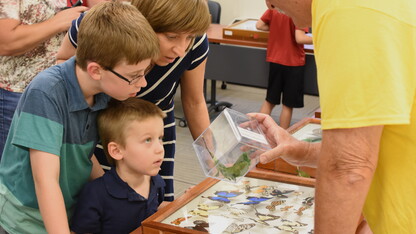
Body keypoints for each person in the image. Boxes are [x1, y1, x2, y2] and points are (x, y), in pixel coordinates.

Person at [250, 0, 416, 233]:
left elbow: (348, 168)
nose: (268, 2)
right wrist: (301, 151)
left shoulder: (346, 9)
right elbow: (377, 141)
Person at [0, 2, 159, 233]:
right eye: (134, 76)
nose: (142, 83)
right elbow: (46, 182)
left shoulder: (104, 90)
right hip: (24, 220)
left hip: (67, 212)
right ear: (96, 70)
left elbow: (81, 153)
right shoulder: (46, 92)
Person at [57, 0, 212, 201]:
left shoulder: (194, 42)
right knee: (98, 205)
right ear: (144, 23)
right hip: (95, 128)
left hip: (151, 130)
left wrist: (214, 160)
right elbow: (64, 63)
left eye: (189, 38)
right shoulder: (99, 25)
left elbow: (194, 101)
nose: (180, 50)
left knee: (152, 205)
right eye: (171, 37)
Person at [0, 0, 88, 159]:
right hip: (22, 94)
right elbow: (5, 42)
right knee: (21, 172)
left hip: (71, 91)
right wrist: (57, 22)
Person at [71, 98, 167, 234]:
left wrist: (184, 203)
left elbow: (155, 208)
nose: (159, 149)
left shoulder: (156, 181)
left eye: (160, 138)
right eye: (147, 140)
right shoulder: (96, 194)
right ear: (116, 151)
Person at [256, 0, 312, 129]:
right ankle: (283, 136)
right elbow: (300, 38)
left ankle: (256, 132)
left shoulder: (276, 5)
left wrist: (276, 28)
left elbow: (259, 25)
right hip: (293, 62)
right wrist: (319, 36)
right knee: (287, 105)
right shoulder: (298, 10)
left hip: (275, 59)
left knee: (270, 100)